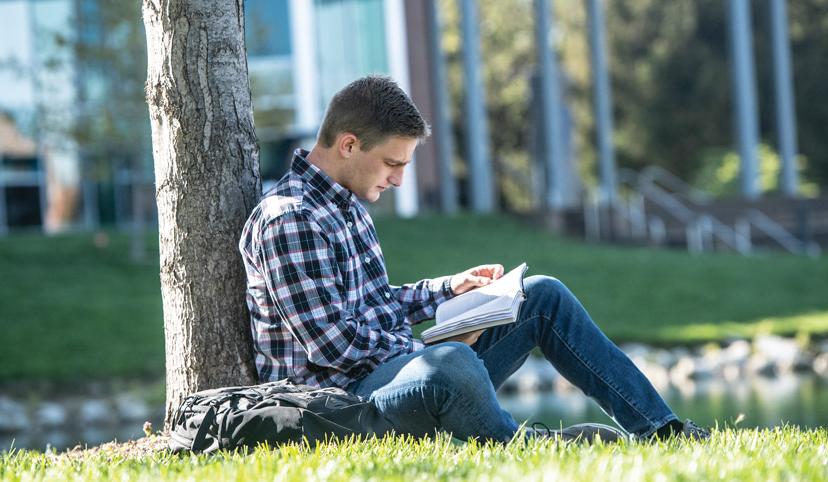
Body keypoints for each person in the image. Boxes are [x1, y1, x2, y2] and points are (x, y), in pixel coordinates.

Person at [239, 75, 709, 443]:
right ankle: (534, 447)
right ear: (348, 145)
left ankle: (660, 429)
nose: (399, 179)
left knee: (540, 295)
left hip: (395, 376)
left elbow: (374, 303)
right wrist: (435, 349)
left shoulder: (345, 206)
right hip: (342, 407)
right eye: (393, 164)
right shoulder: (292, 218)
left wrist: (451, 291)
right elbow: (331, 345)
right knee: (450, 365)